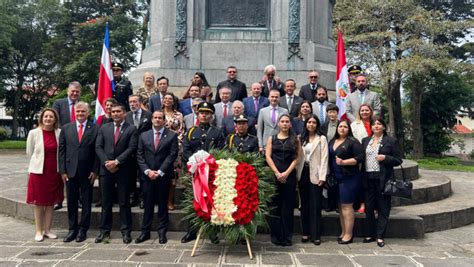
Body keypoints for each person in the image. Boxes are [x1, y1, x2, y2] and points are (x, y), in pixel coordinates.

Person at [181, 102, 225, 243]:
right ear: (198, 115)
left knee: (211, 202)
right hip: (194, 173)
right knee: (192, 201)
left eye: (207, 113)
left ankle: (212, 232)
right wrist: (195, 164)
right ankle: (191, 231)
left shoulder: (217, 132)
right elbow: (186, 150)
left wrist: (209, 166)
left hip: (210, 174)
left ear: (211, 116)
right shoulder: (191, 131)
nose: (204, 115)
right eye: (202, 113)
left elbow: (221, 151)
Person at [95, 103, 138, 244]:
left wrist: (117, 162)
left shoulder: (131, 129)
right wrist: (107, 162)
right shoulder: (104, 128)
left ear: (124, 113)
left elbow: (132, 148)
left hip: (123, 170)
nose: (115, 114)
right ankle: (104, 231)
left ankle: (126, 232)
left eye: (118, 111)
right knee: (106, 202)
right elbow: (98, 147)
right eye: (113, 111)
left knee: (124, 202)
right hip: (106, 170)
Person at [135, 110, 179, 244]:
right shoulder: (144, 135)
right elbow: (139, 155)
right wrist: (148, 171)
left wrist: (159, 172)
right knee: (147, 205)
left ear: (164, 120)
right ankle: (145, 232)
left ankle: (162, 232)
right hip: (147, 176)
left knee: (162, 205)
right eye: (155, 118)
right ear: (152, 120)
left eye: (160, 118)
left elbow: (172, 155)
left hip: (163, 176)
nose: (157, 120)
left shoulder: (171, 136)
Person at [58, 102, 98, 243]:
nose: (80, 114)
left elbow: (97, 151)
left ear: (88, 113)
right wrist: (62, 170)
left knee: (86, 201)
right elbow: (61, 151)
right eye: (78, 111)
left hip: (87, 172)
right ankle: (72, 229)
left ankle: (83, 229)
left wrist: (95, 170)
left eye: (83, 111)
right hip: (70, 171)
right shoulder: (66, 128)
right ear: (74, 112)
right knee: (71, 201)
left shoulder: (95, 128)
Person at [362, 116, 402, 247]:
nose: (376, 126)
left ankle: (380, 236)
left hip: (383, 178)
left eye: (379, 124)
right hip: (368, 177)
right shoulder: (365, 140)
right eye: (374, 124)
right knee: (368, 208)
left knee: (383, 208)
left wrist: (386, 157)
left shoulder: (391, 141)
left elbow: (398, 160)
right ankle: (369, 234)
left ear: (384, 126)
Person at [26, 108, 62, 242]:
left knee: (51, 203)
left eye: (51, 117)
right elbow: (29, 152)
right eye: (46, 116)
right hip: (39, 172)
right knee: (39, 203)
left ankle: (47, 229)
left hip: (54, 172)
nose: (48, 119)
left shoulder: (59, 133)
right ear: (41, 118)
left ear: (55, 119)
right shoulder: (34, 133)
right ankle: (38, 230)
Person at [265, 114, 300, 246]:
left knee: (287, 207)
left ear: (290, 124)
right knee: (275, 207)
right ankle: (275, 236)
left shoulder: (295, 139)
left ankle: (287, 236)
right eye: (282, 121)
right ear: (278, 124)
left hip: (289, 177)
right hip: (275, 176)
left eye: (287, 122)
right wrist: (277, 172)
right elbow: (268, 156)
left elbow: (297, 158)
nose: (285, 124)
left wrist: (286, 173)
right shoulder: (272, 138)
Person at [328, 119, 364, 245]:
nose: (342, 128)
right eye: (340, 126)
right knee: (340, 206)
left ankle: (349, 234)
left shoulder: (353, 142)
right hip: (336, 178)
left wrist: (344, 162)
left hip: (349, 178)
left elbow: (360, 157)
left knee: (347, 206)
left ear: (349, 129)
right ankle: (343, 232)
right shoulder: (333, 141)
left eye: (345, 127)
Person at [296, 114, 328, 245]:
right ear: (306, 124)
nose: (311, 124)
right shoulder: (300, 138)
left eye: (314, 122)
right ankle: (305, 232)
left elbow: (324, 158)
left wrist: (322, 176)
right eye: (309, 122)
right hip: (303, 173)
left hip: (315, 174)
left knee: (315, 205)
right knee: (304, 205)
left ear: (317, 124)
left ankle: (316, 234)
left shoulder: (322, 139)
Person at [125, 95, 152, 208]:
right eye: (130, 102)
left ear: (140, 103)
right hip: (130, 150)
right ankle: (132, 197)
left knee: (143, 175)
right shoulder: (126, 115)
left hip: (144, 150)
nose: (132, 104)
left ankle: (143, 198)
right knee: (130, 175)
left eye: (135, 101)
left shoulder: (149, 115)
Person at [161, 92, 185, 211]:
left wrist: (174, 145)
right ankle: (161, 200)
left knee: (173, 176)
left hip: (175, 149)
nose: (167, 100)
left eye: (170, 99)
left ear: (174, 101)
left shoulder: (179, 115)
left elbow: (181, 131)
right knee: (161, 173)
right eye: (165, 98)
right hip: (160, 149)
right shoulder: (158, 114)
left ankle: (170, 200)